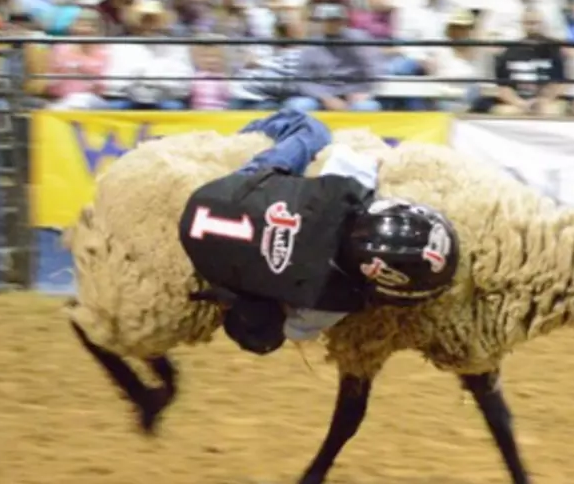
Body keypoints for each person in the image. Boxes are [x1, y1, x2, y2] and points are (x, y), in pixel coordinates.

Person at [179, 109, 460, 354]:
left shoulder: (346, 189)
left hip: (220, 196)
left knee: (313, 130)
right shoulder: (333, 303)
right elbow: (296, 331)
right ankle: (233, 296)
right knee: (265, 335)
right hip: (209, 255)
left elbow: (358, 158)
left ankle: (245, 135)